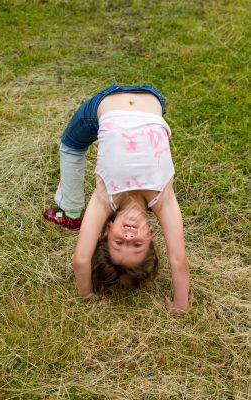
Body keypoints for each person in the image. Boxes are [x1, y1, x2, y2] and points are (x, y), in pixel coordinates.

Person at [44, 83, 191, 314]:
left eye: (119, 242)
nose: (129, 235)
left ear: (107, 230)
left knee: (72, 145)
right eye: (137, 244)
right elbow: (178, 260)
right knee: (73, 146)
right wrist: (180, 305)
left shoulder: (104, 199)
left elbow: (81, 259)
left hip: (108, 102)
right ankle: (71, 209)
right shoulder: (164, 199)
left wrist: (88, 294)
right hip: (152, 98)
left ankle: (71, 209)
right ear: (151, 235)